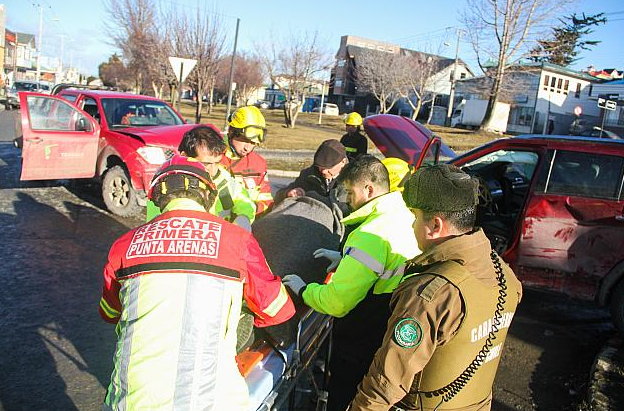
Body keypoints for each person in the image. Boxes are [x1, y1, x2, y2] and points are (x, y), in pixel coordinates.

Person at [99, 155, 295, 411]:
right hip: (213, 402)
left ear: (157, 198)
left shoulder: (124, 245)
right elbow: (278, 310)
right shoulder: (236, 240)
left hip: (131, 402)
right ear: (208, 196)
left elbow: (110, 312)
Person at [348, 164, 523, 411]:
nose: (411, 226)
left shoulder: (429, 295)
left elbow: (384, 385)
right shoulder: (502, 272)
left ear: (436, 226)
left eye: (415, 216)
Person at [282, 155, 420, 411]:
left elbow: (337, 302)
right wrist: (345, 258)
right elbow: (383, 263)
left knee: (346, 398)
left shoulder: (370, 233)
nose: (347, 199)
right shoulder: (402, 214)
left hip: (363, 339)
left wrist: (303, 289)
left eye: (350, 192)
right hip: (391, 325)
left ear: (369, 189)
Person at [145, 125, 257, 231]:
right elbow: (154, 223)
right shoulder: (166, 185)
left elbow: (245, 202)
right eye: (206, 164)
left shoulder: (225, 180)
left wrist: (244, 218)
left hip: (219, 244)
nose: (213, 171)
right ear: (185, 156)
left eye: (217, 163)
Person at [221, 106, 273, 216]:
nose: (247, 148)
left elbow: (266, 201)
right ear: (231, 132)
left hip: (247, 225)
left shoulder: (259, 164)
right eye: (245, 140)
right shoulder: (212, 157)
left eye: (253, 143)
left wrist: (248, 211)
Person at [274, 139, 348, 204]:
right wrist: (288, 193)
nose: (324, 171)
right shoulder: (309, 175)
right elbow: (278, 197)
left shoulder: (352, 181)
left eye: (329, 167)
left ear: (343, 162)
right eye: (321, 167)